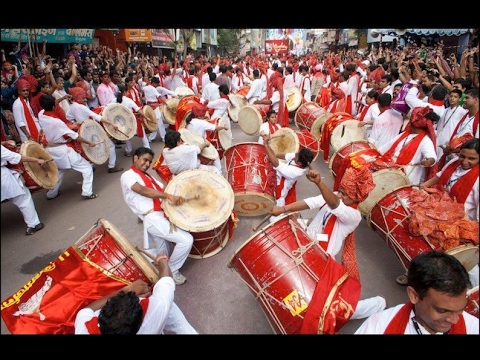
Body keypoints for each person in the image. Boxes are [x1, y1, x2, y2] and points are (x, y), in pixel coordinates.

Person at [269, 165, 386, 320]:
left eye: (346, 195)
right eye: (341, 191)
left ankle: (377, 305)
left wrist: (319, 183)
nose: (341, 196)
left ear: (356, 198)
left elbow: (335, 205)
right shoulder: (334, 196)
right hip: (307, 247)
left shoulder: (353, 216)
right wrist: (283, 209)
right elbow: (309, 202)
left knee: (331, 309)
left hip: (322, 261)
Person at [354, 250, 479, 334]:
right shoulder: (379, 327)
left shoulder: (473, 328)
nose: (454, 320)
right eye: (442, 311)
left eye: (460, 310)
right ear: (414, 295)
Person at [120, 146, 194, 285]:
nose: (147, 164)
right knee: (186, 240)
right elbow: (142, 190)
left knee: (163, 251)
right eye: (144, 160)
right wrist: (169, 196)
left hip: (161, 215)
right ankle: (171, 271)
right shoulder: (128, 175)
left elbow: (161, 191)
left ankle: (157, 266)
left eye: (149, 162)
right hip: (153, 217)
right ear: (135, 158)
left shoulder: (147, 176)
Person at [74, 253, 197, 334]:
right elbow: (166, 279)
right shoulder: (155, 310)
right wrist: (162, 260)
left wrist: (129, 289)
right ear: (141, 321)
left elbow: (87, 309)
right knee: (169, 305)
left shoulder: (85, 330)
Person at [38, 94, 98, 200]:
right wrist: (89, 142)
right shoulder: (57, 122)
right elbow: (74, 136)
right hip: (62, 149)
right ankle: (87, 192)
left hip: (50, 150)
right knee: (86, 168)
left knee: (60, 171)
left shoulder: (41, 115)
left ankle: (51, 194)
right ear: (53, 107)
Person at [65, 85, 123, 173]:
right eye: (83, 98)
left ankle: (90, 166)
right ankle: (112, 166)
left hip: (82, 131)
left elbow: (69, 118)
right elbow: (95, 118)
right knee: (110, 145)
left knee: (88, 150)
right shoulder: (80, 107)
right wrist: (111, 123)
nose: (85, 100)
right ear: (78, 98)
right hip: (88, 130)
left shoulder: (73, 106)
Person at [378, 106, 439, 185]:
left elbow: (432, 157)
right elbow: (387, 146)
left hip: (408, 176)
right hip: (392, 171)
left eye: (410, 121)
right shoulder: (404, 134)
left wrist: (430, 161)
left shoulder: (425, 141)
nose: (409, 124)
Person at [262, 131, 314, 223]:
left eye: (296, 155)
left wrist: (266, 145)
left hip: (280, 193)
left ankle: (301, 223)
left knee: (274, 219)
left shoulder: (296, 172)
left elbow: (276, 163)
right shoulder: (298, 158)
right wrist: (271, 153)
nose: (295, 155)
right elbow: (284, 155)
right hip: (276, 182)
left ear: (300, 163)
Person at [1, 139, 46, 235]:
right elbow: (15, 157)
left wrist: (4, 143)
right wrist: (37, 160)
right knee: (23, 198)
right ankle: (34, 225)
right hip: (3, 177)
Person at [116, 83, 149, 157]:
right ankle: (147, 147)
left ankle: (128, 150)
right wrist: (146, 117)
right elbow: (138, 110)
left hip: (122, 122)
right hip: (132, 120)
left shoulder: (114, 100)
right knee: (142, 133)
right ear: (124, 92)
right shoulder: (128, 100)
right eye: (127, 92)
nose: (128, 93)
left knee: (127, 136)